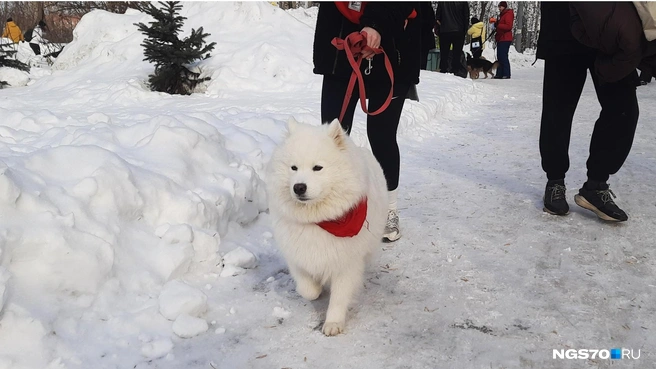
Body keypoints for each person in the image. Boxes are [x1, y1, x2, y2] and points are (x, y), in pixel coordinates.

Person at [313, 2, 426, 242]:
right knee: (333, 135)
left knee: (381, 136)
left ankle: (389, 208)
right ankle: (336, 206)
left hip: (393, 55)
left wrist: (377, 26)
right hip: (341, 50)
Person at [538, 2, 656, 222]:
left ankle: (596, 185)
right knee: (558, 109)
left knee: (624, 108)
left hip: (609, 28)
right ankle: (555, 181)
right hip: (562, 27)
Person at [435, 1, 469, 77]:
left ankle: (443, 69)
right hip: (459, 30)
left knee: (444, 53)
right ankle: (455, 70)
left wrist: (440, 27)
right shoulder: (463, 2)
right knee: (457, 53)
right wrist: (464, 30)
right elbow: (466, 16)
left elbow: (438, 17)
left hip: (445, 30)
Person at [492, 1, 513, 79]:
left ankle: (506, 73)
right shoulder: (502, 15)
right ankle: (499, 73)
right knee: (499, 56)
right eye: (499, 7)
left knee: (503, 56)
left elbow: (508, 26)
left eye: (500, 7)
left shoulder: (508, 14)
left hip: (505, 38)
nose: (499, 8)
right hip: (501, 38)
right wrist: (495, 23)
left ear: (504, 7)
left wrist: (498, 25)